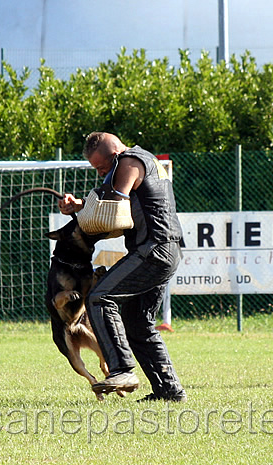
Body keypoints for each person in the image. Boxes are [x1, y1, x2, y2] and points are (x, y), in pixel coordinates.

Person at [58, 132, 186, 401]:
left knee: (99, 297)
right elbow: (121, 209)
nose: (101, 173)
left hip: (153, 250)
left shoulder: (127, 163)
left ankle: (122, 369)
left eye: (102, 168)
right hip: (166, 249)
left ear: (114, 156)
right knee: (138, 323)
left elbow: (116, 211)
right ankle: (169, 391)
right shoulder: (145, 158)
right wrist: (81, 206)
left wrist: (84, 217)